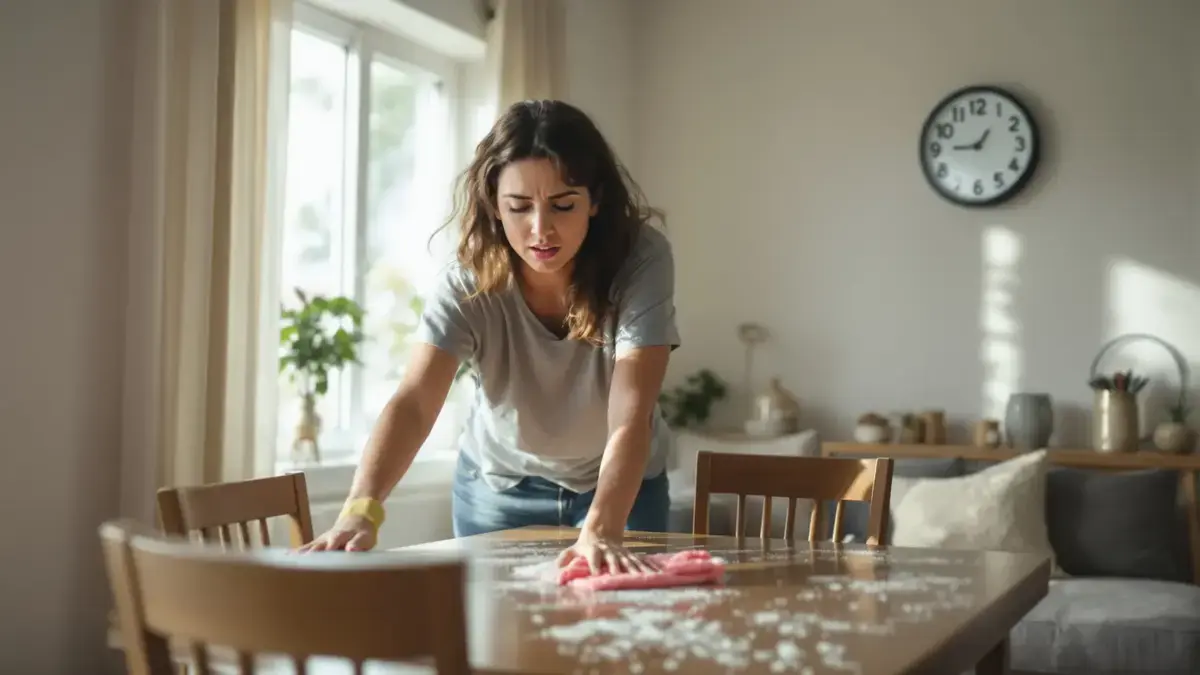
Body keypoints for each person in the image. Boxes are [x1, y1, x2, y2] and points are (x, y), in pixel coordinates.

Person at [300, 99, 679, 575]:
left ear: (596, 201)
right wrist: (362, 510)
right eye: (519, 207)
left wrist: (601, 527)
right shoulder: (468, 278)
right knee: (493, 642)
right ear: (494, 206)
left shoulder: (640, 260)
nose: (541, 230)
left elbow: (631, 412)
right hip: (498, 493)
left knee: (622, 634)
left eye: (563, 205)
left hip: (622, 490)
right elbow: (416, 400)